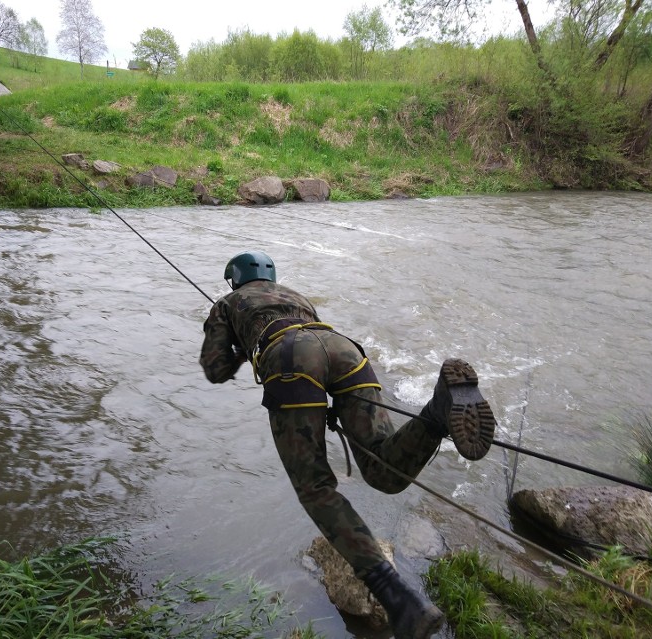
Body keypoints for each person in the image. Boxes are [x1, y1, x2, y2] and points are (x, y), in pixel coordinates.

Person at [199, 250, 497, 639]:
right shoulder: (296, 296)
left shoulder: (227, 303)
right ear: (271, 275)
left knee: (316, 488)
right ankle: (436, 413)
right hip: (345, 350)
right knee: (382, 470)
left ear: (233, 279)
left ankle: (400, 600)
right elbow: (308, 336)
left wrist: (240, 349)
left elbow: (215, 369)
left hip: (291, 360)